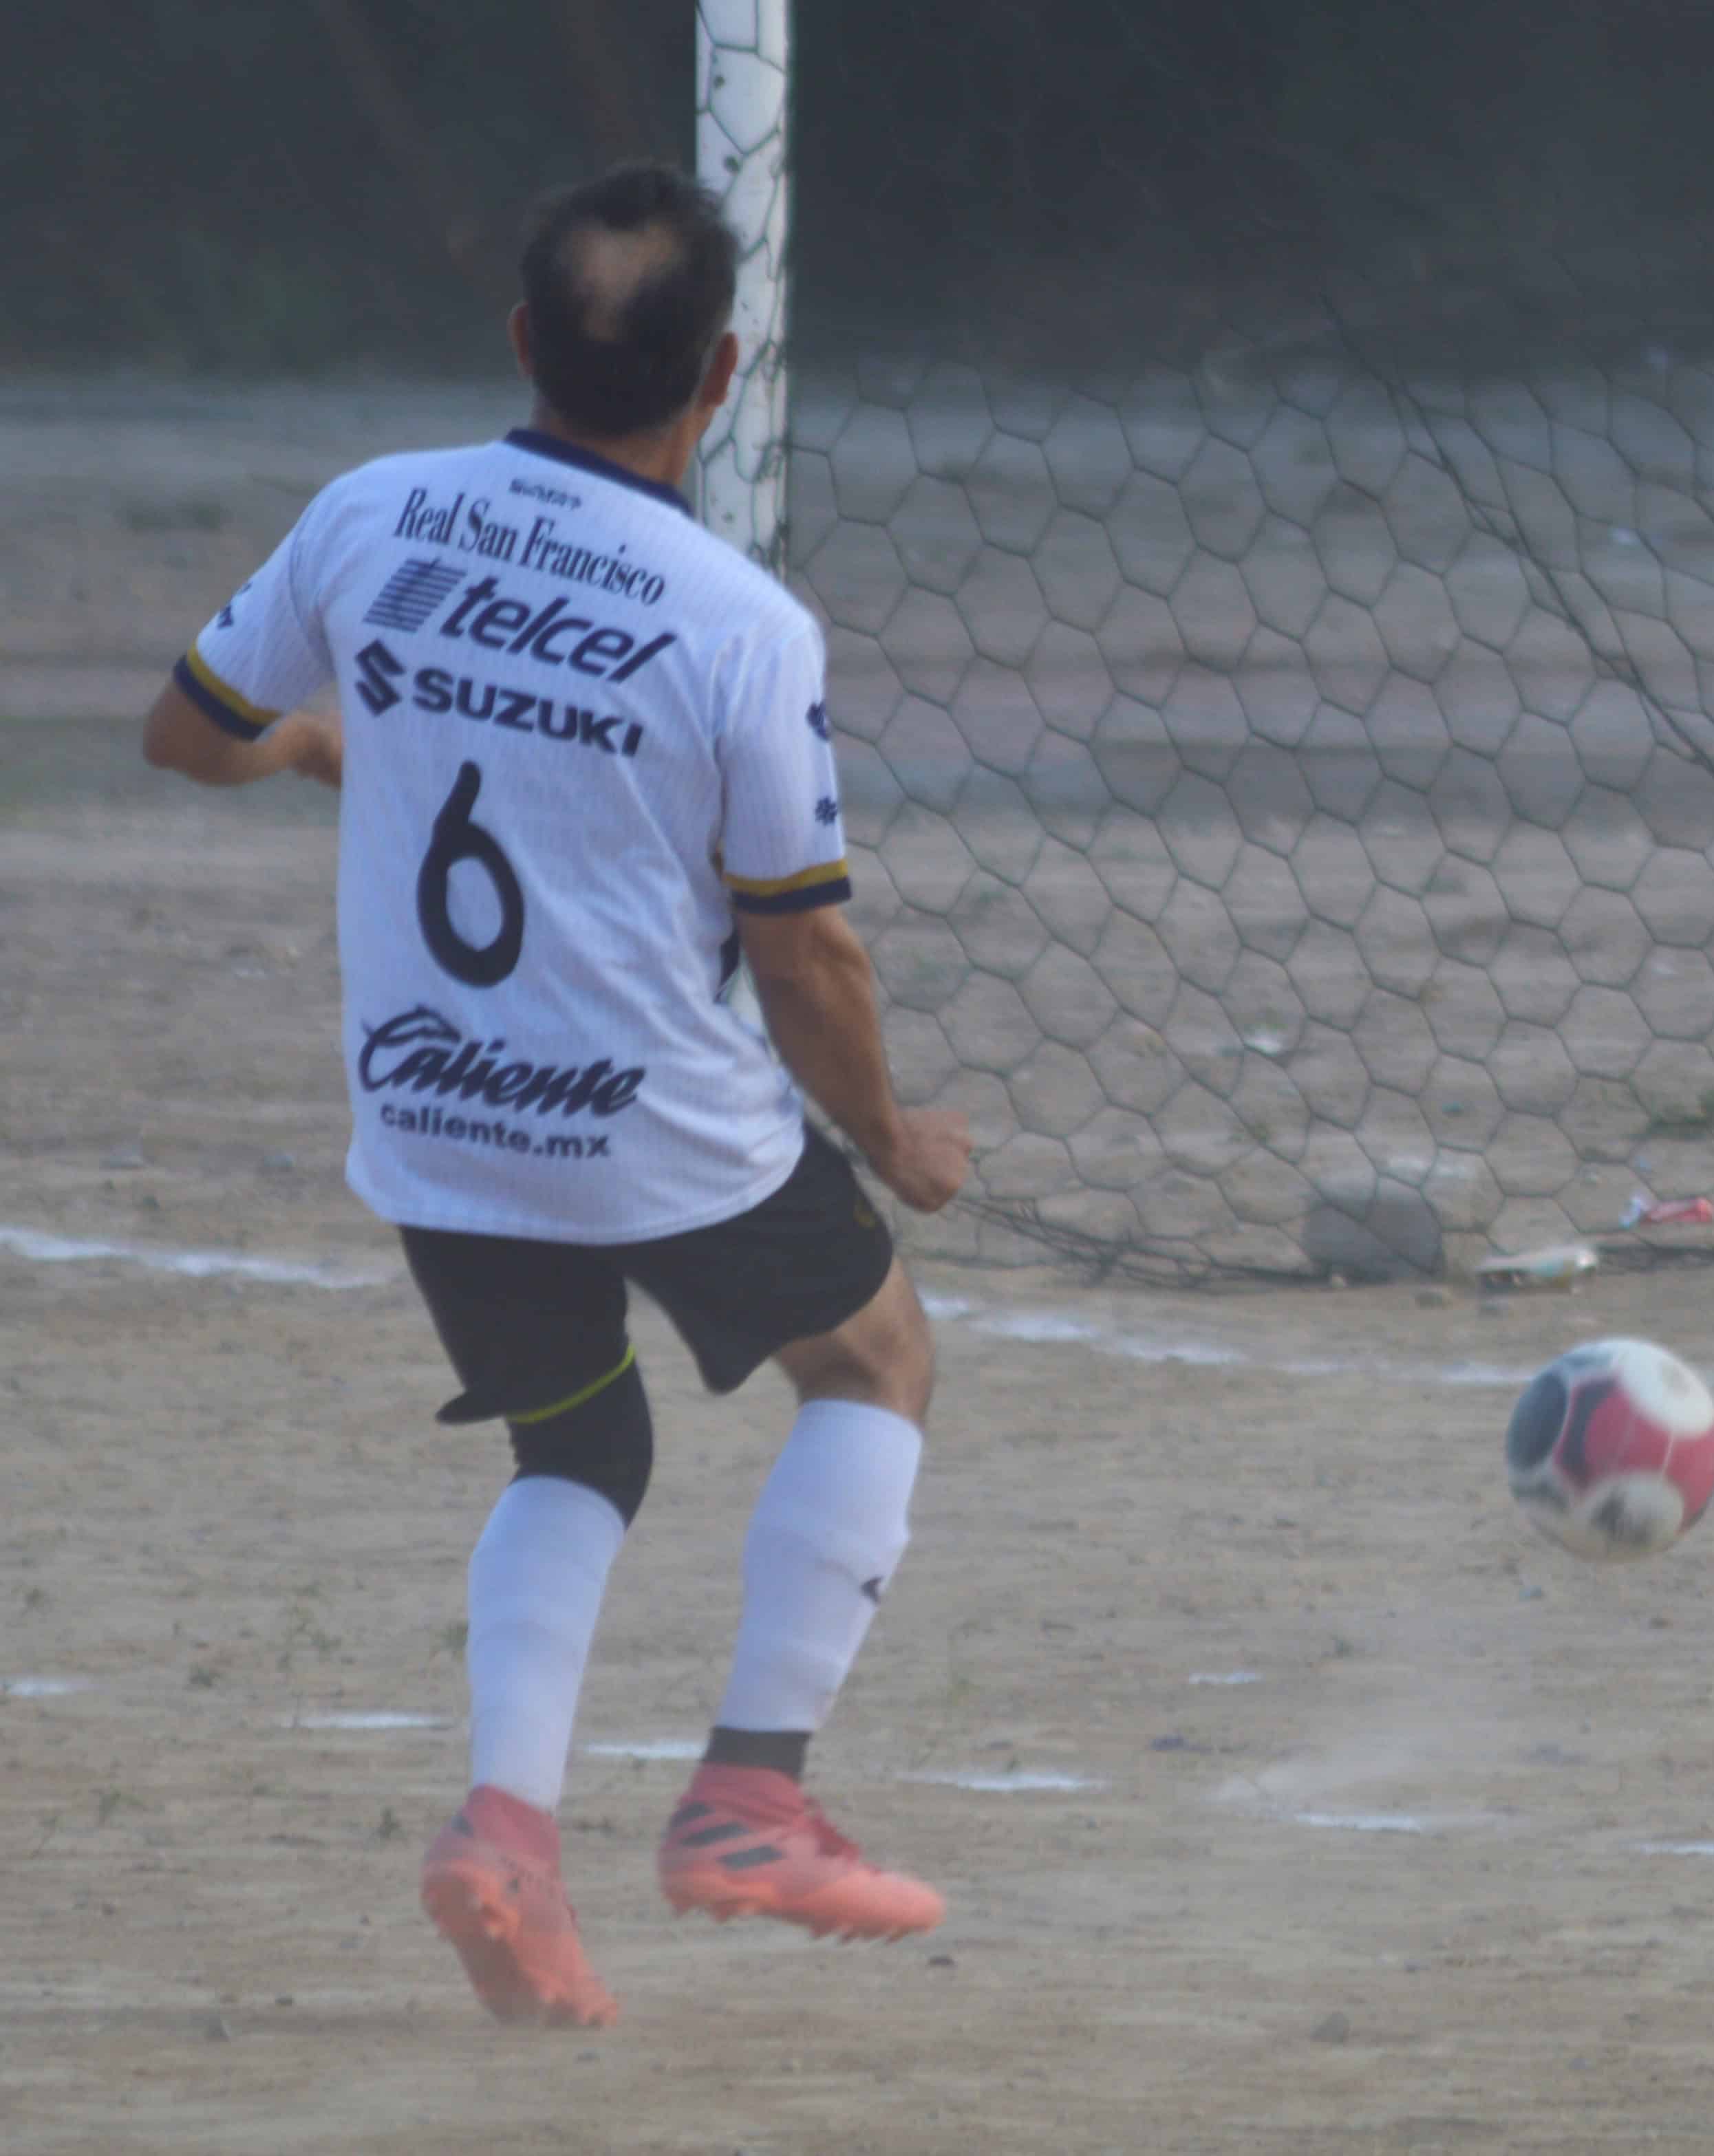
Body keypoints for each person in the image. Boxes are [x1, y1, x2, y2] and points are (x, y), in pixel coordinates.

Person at [141, 162, 976, 2028]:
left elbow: (183, 730)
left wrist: (306, 736)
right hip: (660, 1126)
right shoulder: (739, 618)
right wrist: (892, 1142)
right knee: (875, 1360)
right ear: (726, 375)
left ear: (521, 341)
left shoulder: (375, 513)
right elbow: (804, 958)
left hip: (434, 1116)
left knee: (576, 1448)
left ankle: (508, 1833)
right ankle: (750, 1795)